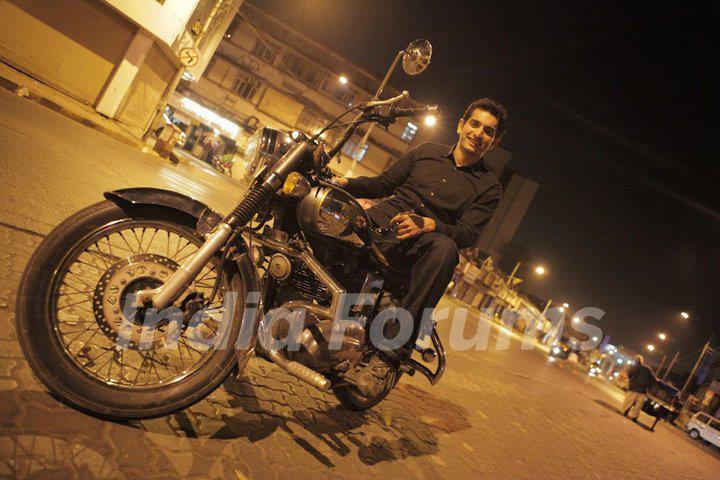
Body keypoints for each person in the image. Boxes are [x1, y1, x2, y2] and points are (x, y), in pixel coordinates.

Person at [337, 98, 507, 348]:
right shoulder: (426, 150)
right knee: (327, 212)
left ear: (495, 142)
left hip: (421, 247)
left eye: (488, 131)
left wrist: (431, 225)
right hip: (381, 221)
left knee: (446, 250)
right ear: (461, 125)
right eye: (475, 124)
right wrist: (345, 183)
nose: (478, 133)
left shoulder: (489, 187)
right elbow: (383, 184)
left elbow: (468, 234)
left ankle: (395, 345)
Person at [621, 354, 655, 422]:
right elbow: (652, 379)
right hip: (643, 390)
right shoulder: (647, 369)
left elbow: (629, 374)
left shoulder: (634, 367)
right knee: (638, 405)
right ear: (641, 361)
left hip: (633, 388)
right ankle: (634, 417)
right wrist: (648, 387)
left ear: (635, 360)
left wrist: (632, 381)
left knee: (629, 401)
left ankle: (624, 411)